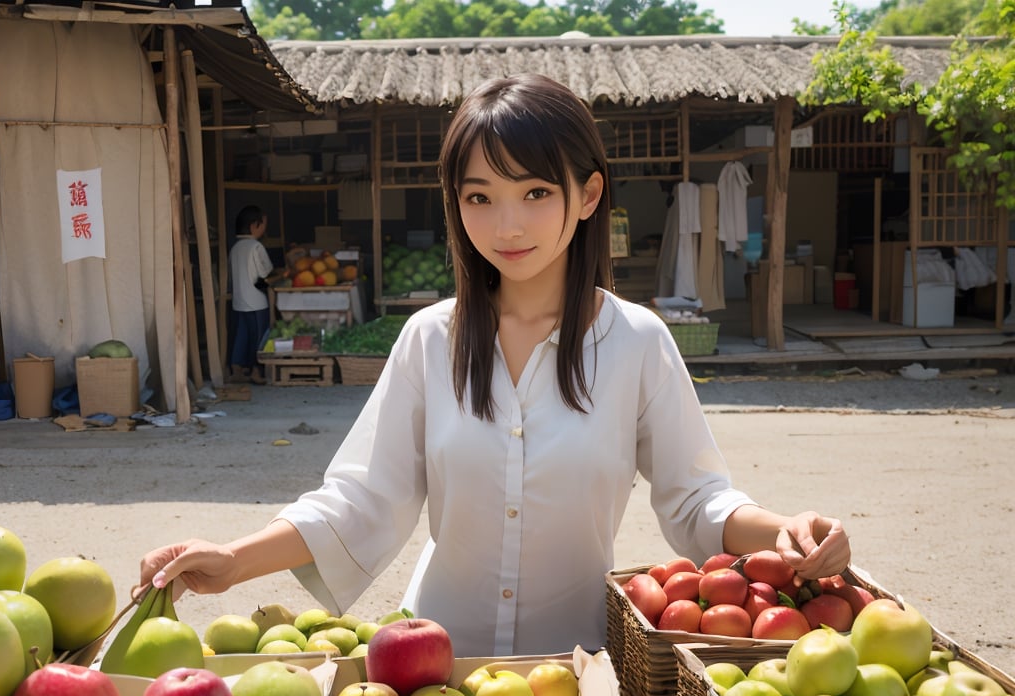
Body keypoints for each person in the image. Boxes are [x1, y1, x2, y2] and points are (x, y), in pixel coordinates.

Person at [140, 74, 850, 657]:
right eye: (480, 197)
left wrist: (786, 529)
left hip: (577, 672)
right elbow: (361, 499)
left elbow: (698, 500)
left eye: (536, 193)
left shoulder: (636, 341)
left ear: (589, 195)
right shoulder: (429, 339)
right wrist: (233, 559)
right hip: (431, 666)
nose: (507, 225)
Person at [228, 205, 277, 384]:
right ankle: (257, 370)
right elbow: (266, 275)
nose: (264, 229)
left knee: (241, 336)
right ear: (254, 226)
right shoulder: (256, 247)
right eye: (263, 224)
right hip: (256, 302)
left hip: (239, 301)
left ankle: (236, 369)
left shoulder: (235, 248)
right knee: (259, 337)